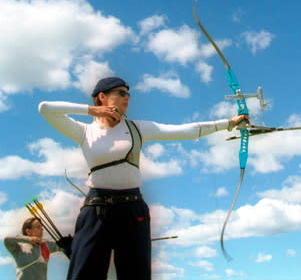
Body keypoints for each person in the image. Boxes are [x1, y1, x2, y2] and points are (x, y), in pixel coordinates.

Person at [38, 76, 248, 280]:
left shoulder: (136, 128)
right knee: (83, 274)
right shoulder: (84, 131)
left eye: (129, 94)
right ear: (101, 96)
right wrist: (92, 111)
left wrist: (229, 123)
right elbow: (45, 108)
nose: (127, 97)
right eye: (121, 93)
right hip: (96, 211)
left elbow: (187, 131)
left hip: (132, 209)